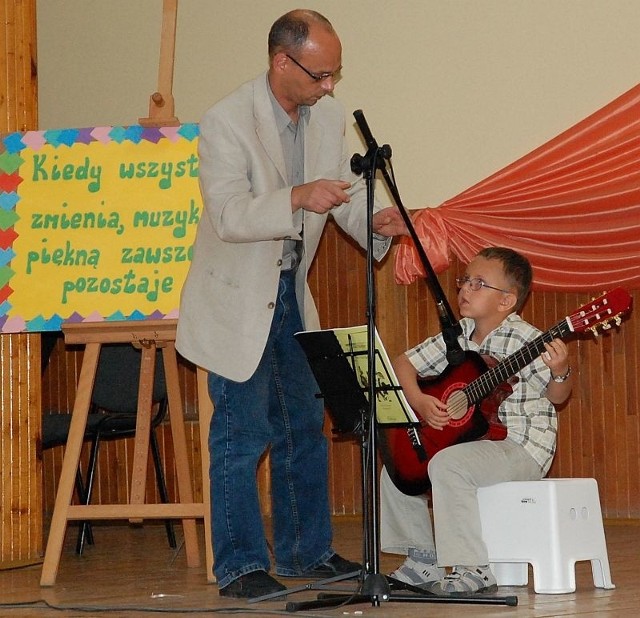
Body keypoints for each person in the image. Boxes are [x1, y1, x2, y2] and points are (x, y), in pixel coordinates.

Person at [176, 9, 407, 599]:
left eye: (335, 75)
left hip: (291, 294)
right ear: (283, 61)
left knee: (304, 424)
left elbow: (339, 200)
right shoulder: (226, 121)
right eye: (320, 75)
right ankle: (240, 567)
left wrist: (377, 224)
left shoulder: (325, 119)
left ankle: (306, 552)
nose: (329, 88)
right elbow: (228, 216)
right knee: (241, 433)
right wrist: (295, 195)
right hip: (236, 301)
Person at [380, 246, 572, 596]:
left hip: (520, 445)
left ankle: (474, 567)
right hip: (474, 443)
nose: (465, 289)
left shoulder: (526, 339)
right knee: (398, 464)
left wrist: (560, 372)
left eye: (479, 283)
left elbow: (557, 397)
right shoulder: (459, 334)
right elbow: (402, 364)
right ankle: (422, 559)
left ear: (506, 301)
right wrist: (420, 400)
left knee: (447, 464)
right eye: (464, 280)